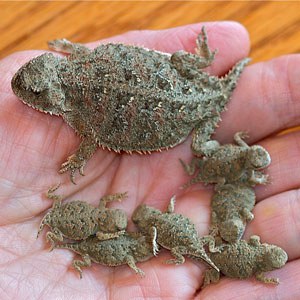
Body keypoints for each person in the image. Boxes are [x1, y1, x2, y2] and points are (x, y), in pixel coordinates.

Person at [0, 21, 299, 299]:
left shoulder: (78, 109)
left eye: (37, 92)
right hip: (185, 88)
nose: (25, 91)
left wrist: (78, 161)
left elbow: (90, 139)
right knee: (197, 124)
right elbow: (81, 59)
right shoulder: (83, 58)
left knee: (201, 146)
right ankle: (203, 68)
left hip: (180, 118)